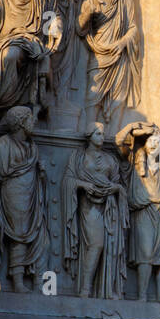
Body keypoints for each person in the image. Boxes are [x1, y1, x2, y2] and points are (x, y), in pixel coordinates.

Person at [61, 122, 127, 299]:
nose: (102, 137)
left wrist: (114, 188)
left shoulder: (110, 159)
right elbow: (68, 180)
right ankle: (85, 288)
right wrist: (84, 184)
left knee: (111, 247)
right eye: (98, 133)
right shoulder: (79, 157)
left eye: (103, 134)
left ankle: (107, 289)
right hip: (88, 205)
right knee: (97, 244)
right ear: (89, 135)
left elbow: (117, 182)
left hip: (109, 205)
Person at [0, 105, 48, 292]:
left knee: (41, 237)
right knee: (18, 235)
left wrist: (41, 173)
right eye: (30, 119)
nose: (34, 121)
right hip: (13, 194)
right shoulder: (3, 144)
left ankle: (39, 282)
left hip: (31, 194)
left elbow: (35, 173)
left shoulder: (32, 146)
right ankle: (17, 281)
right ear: (21, 122)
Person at [79, 0, 142, 129]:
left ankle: (114, 142)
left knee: (117, 100)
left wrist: (122, 43)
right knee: (93, 95)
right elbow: (78, 28)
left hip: (119, 56)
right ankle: (89, 135)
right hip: (97, 55)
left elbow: (133, 28)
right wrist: (87, 14)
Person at [117, 122, 160, 302]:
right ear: (145, 142)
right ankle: (142, 295)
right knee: (145, 253)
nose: (154, 144)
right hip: (143, 210)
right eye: (151, 140)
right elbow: (119, 142)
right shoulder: (134, 161)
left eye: (158, 142)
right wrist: (134, 127)